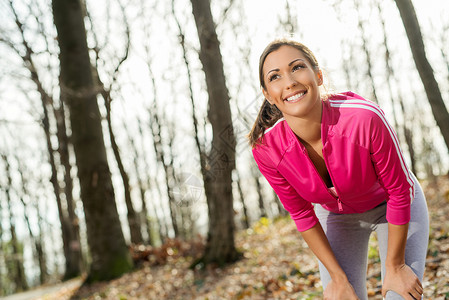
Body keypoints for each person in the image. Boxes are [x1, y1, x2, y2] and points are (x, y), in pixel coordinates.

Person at [248, 38, 429, 300]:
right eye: (275, 76)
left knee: (399, 295)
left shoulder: (364, 118)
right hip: (338, 217)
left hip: (394, 203)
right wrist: (337, 277)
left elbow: (400, 191)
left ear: (318, 76)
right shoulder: (267, 150)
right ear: (268, 94)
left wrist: (395, 266)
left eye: (297, 67)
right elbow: (301, 213)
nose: (289, 82)